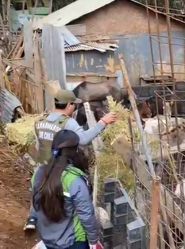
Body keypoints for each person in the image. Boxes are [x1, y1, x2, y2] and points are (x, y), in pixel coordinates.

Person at [24, 89, 117, 230]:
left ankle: (32, 219)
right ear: (69, 105)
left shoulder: (40, 121)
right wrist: (103, 122)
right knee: (61, 194)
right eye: (73, 104)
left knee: (39, 189)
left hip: (42, 165)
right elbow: (83, 139)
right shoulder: (69, 123)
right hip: (59, 167)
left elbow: (38, 146)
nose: (74, 107)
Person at [31, 130, 101, 249]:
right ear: (75, 150)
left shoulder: (39, 173)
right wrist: (93, 240)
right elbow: (86, 214)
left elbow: (35, 203)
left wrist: (32, 219)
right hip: (73, 241)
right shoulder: (74, 180)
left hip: (48, 239)